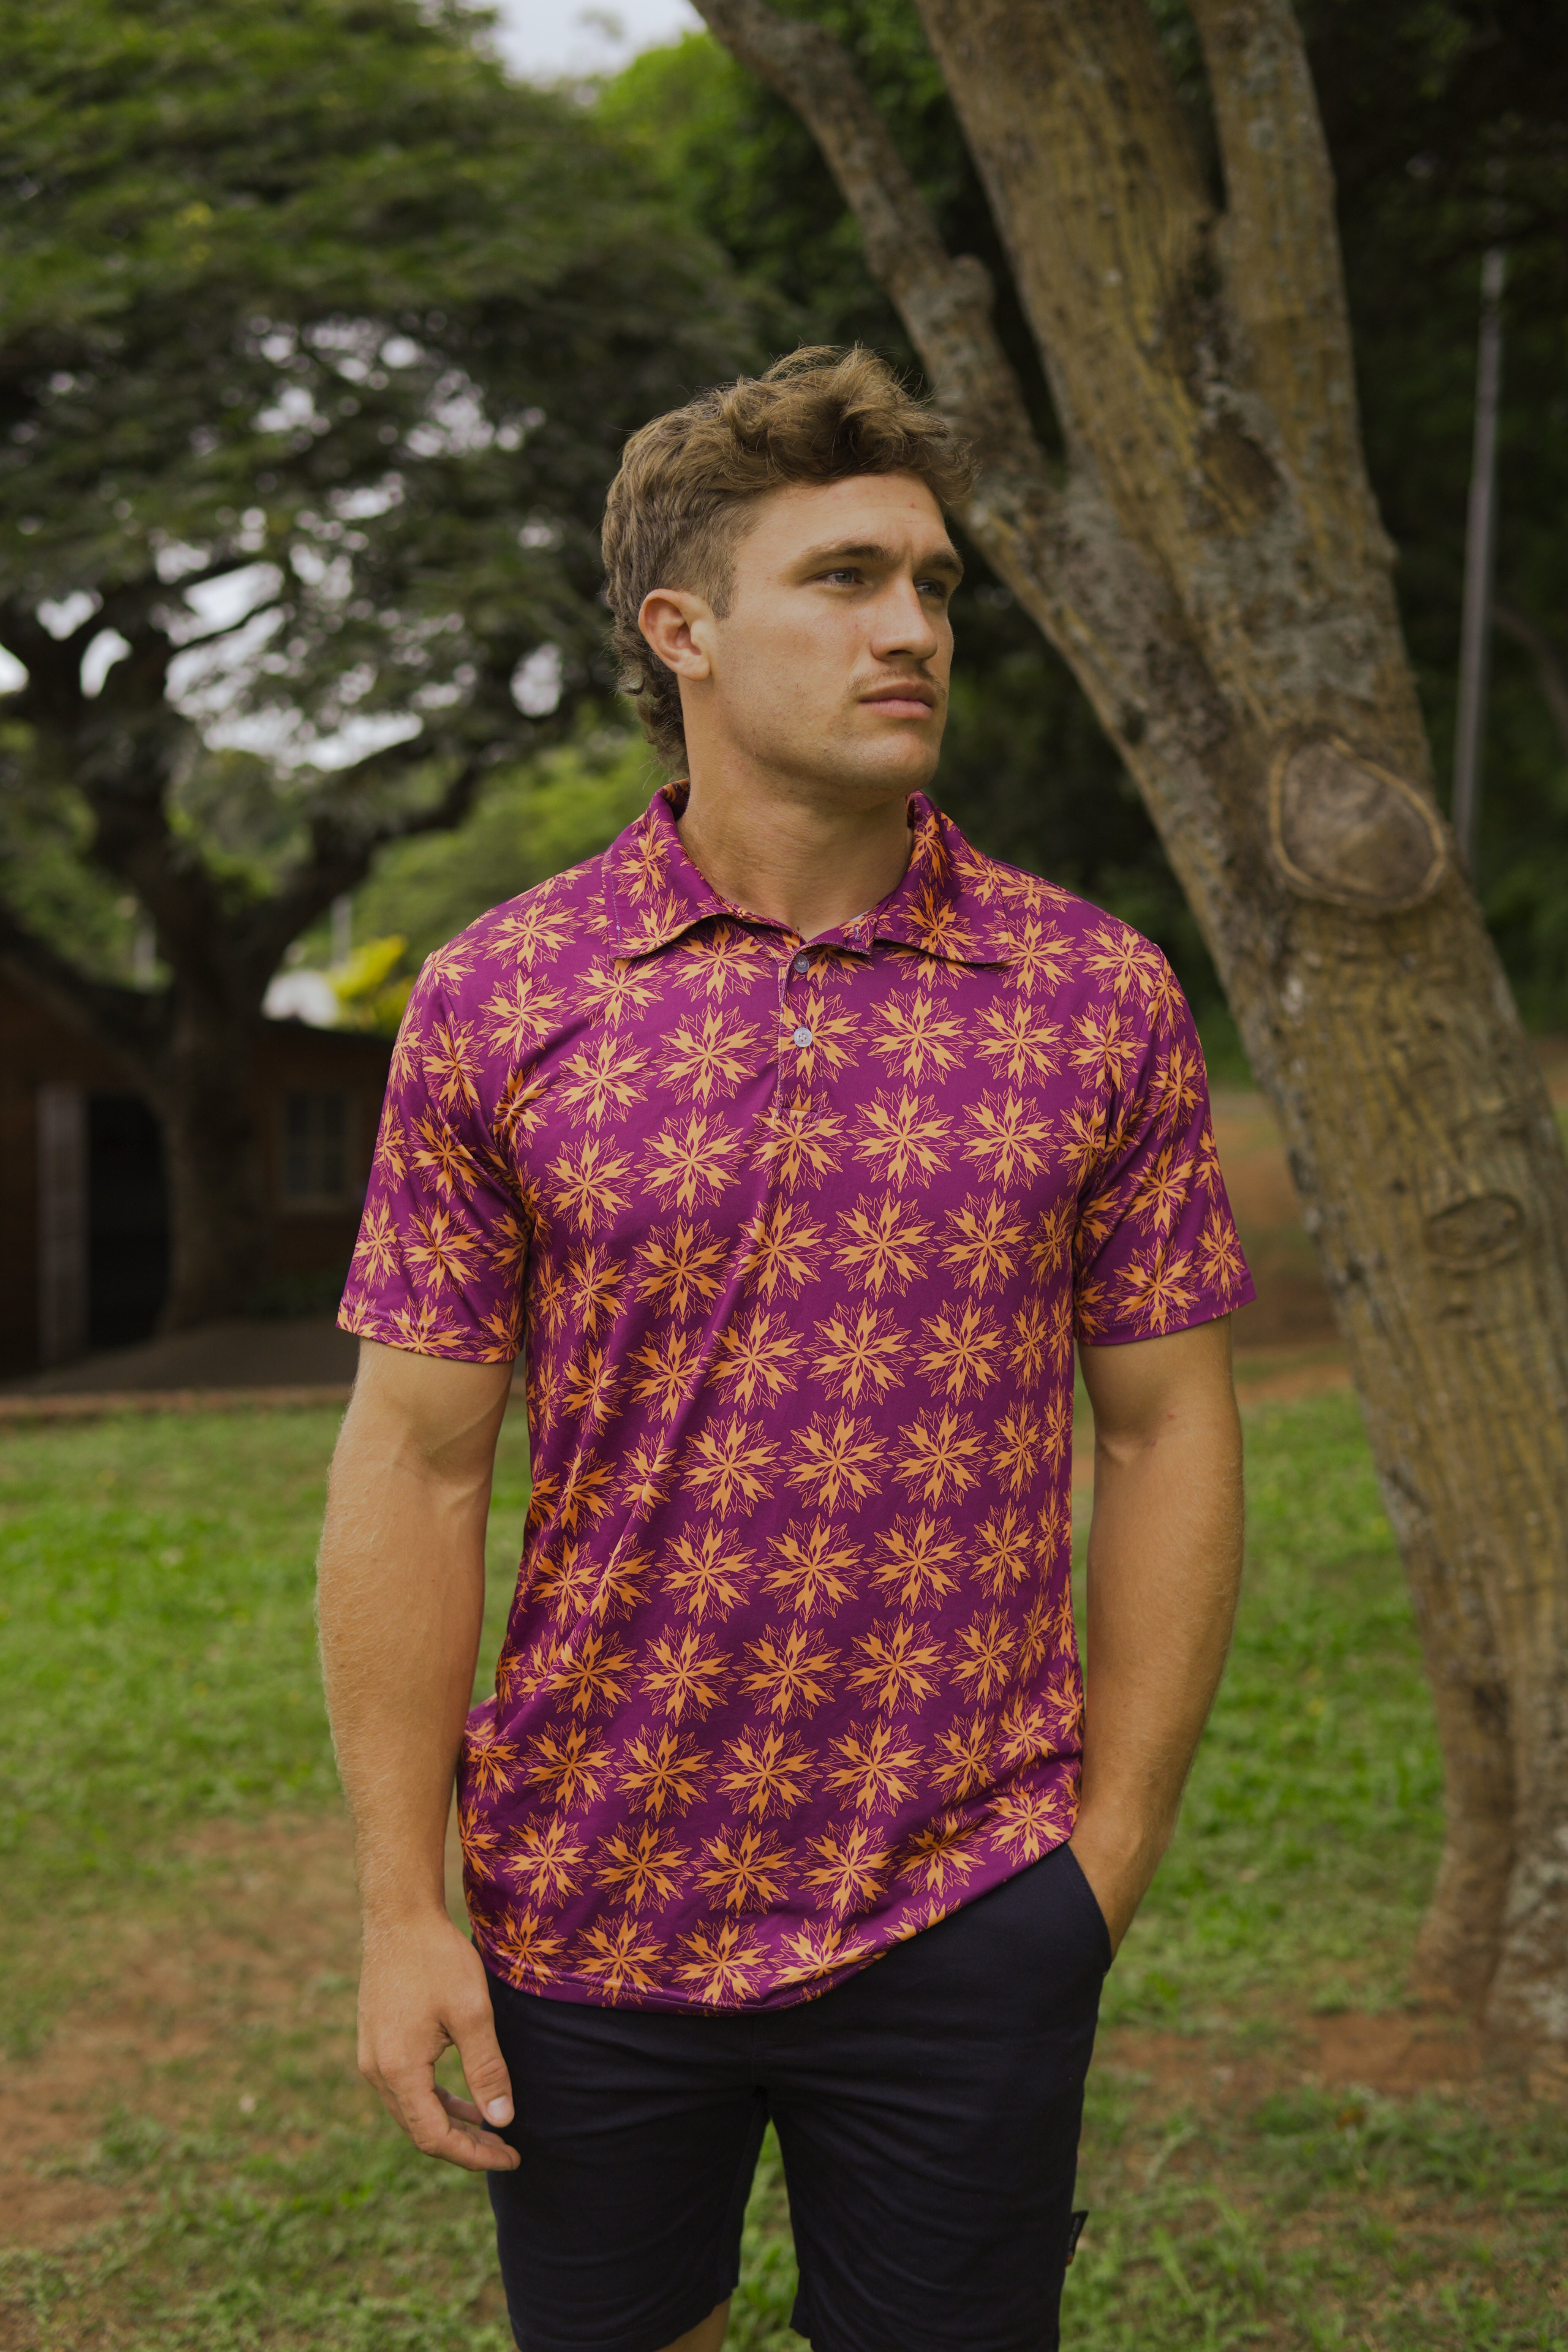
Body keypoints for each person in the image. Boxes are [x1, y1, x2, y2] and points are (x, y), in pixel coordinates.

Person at [317, 345, 1251, 2352]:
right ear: (684, 631)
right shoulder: (500, 1000)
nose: (912, 628)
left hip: (970, 1898)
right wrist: (404, 1910)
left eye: (932, 584)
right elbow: (415, 1460)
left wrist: (1102, 1861)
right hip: (583, 1901)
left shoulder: (1095, 995)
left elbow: (1171, 1430)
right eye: (843, 579)